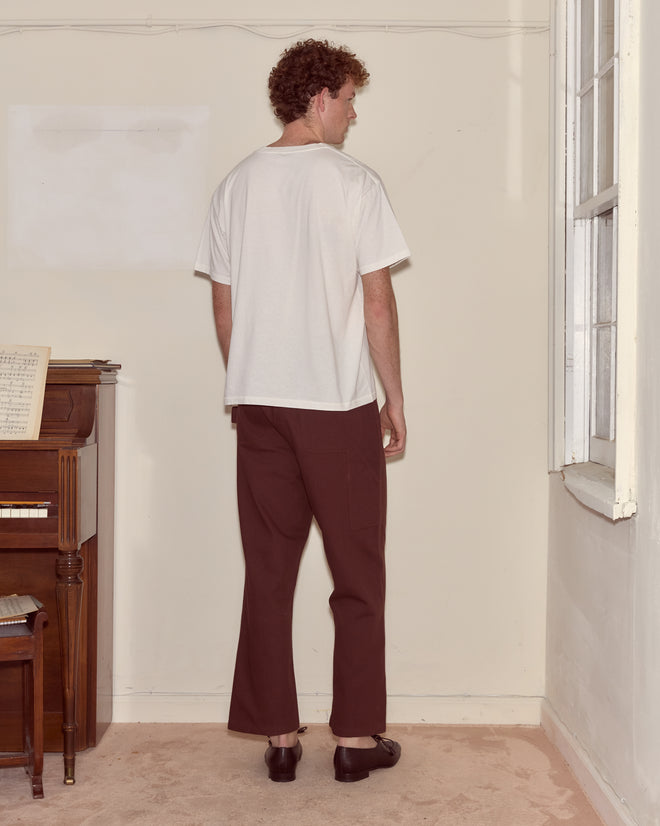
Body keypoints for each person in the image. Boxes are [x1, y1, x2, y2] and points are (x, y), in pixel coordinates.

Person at [194, 38, 410, 783]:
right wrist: (395, 399)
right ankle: (354, 742)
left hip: (259, 406)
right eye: (350, 99)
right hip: (335, 405)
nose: (353, 115)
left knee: (269, 572)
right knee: (357, 574)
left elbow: (226, 311)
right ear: (319, 97)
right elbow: (377, 303)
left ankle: (280, 738)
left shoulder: (234, 186)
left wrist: (254, 376)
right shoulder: (353, 183)